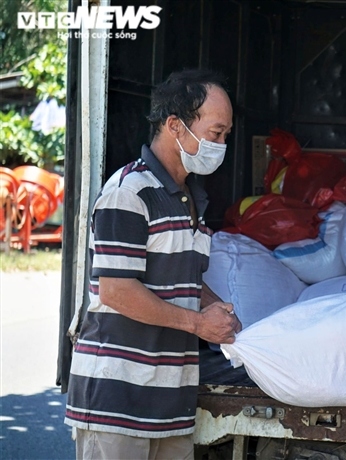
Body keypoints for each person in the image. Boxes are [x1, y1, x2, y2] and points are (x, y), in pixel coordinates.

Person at [64, 69, 242, 460]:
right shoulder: (128, 193)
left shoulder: (189, 198)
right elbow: (117, 291)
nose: (222, 145)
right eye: (215, 134)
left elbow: (184, 280)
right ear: (175, 125)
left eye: (226, 135)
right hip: (117, 405)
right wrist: (199, 324)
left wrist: (216, 310)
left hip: (169, 408)